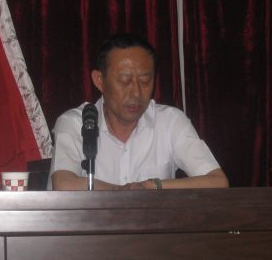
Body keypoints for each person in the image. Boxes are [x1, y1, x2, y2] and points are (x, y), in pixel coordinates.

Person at [50, 33, 229, 190]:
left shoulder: (170, 121)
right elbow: (63, 184)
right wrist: (123, 192)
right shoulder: (75, 122)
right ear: (99, 80)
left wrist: (154, 186)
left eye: (144, 81)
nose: (136, 92)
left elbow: (217, 182)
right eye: (124, 80)